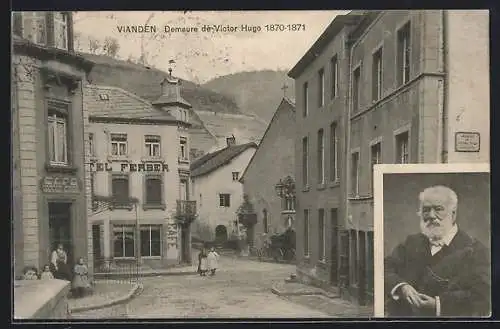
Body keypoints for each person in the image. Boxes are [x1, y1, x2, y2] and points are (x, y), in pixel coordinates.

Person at [384, 185, 490, 317]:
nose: (431, 216)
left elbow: (484, 296)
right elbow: (385, 268)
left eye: (438, 209)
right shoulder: (412, 242)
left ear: (453, 213)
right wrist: (401, 286)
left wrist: (438, 304)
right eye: (426, 210)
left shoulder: (475, 250)